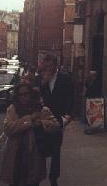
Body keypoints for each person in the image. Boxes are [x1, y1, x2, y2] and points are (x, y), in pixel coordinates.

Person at [0, 83, 59, 186]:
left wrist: (41, 123)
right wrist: (30, 119)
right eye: (20, 94)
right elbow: (8, 128)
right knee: (15, 180)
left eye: (26, 94)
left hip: (34, 155)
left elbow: (55, 126)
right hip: (16, 155)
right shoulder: (12, 110)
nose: (23, 97)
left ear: (31, 94)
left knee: (32, 181)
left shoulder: (41, 110)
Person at [39, 54, 74, 186]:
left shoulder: (64, 78)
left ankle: (54, 177)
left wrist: (68, 115)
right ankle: (38, 173)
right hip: (43, 118)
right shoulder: (41, 79)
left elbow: (70, 96)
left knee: (56, 149)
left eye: (50, 66)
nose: (48, 69)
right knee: (42, 147)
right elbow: (37, 97)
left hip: (58, 118)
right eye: (46, 66)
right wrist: (43, 83)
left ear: (55, 65)